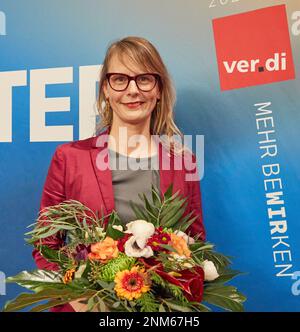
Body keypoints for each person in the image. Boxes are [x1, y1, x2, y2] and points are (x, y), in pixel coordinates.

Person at [32, 36, 205, 312]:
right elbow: (46, 243)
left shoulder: (183, 162)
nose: (133, 90)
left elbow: (195, 243)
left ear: (158, 89)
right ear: (106, 90)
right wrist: (77, 298)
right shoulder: (70, 158)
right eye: (120, 79)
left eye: (144, 79)